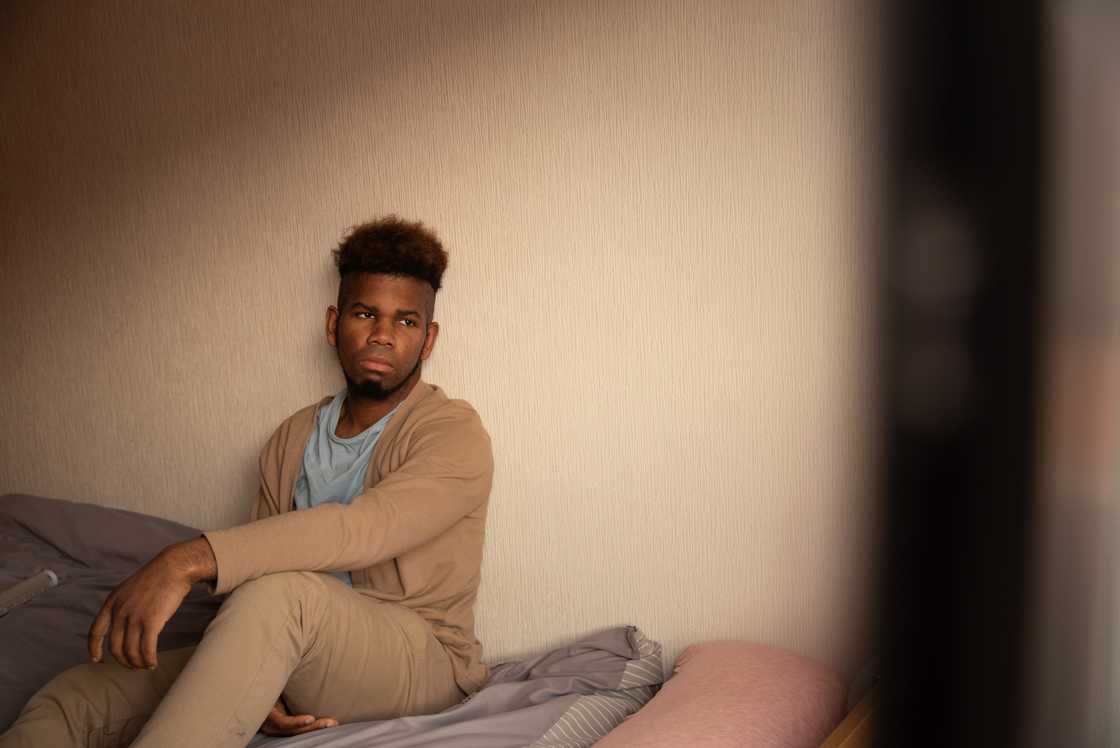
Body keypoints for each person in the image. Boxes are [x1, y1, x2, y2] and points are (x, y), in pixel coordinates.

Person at [0, 216, 494, 748]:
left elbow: (362, 530)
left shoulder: (452, 432)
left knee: (281, 596)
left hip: (419, 657)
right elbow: (263, 573)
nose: (382, 334)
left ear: (428, 340)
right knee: (72, 699)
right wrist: (264, 681)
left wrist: (184, 560)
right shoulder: (293, 436)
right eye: (365, 313)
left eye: (406, 322)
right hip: (293, 641)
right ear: (333, 325)